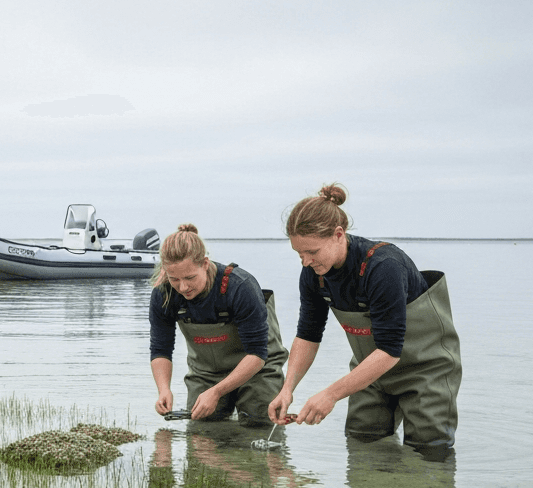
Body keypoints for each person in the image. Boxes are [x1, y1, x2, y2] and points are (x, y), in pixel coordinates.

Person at [267, 184, 462, 449]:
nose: (305, 261)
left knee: (430, 452)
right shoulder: (313, 274)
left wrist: (330, 395)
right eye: (299, 253)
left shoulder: (383, 266)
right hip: (368, 370)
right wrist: (288, 389)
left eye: (312, 252)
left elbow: (391, 350)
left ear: (338, 235)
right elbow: (308, 334)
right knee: (362, 444)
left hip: (425, 370)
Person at [149, 224, 288, 424]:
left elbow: (258, 354)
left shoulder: (240, 287)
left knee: (259, 423)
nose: (183, 287)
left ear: (205, 263)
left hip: (259, 367)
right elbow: (160, 349)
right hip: (206, 372)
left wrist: (216, 392)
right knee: (202, 429)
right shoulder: (163, 294)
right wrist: (164, 389)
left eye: (190, 278)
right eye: (174, 279)